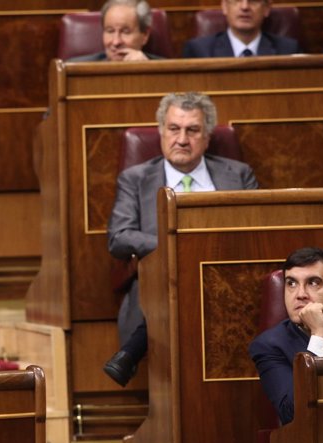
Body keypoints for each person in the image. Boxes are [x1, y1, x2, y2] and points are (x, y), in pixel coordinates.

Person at [104, 92, 258, 387]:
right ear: (161, 131)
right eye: (174, 129)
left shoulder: (238, 176)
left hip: (228, 281)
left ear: (208, 136)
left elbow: (255, 232)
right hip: (162, 281)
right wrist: (182, 246)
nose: (182, 140)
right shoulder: (135, 179)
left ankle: (132, 352)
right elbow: (119, 237)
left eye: (193, 130)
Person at [249, 247, 323, 425]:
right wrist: (319, 335)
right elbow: (292, 413)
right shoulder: (269, 346)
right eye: (291, 283)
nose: (300, 294)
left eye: (313, 283)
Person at [182, 0, 300, 58]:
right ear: (224, 6)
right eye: (237, 0)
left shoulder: (288, 50)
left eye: (253, 0)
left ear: (266, 8)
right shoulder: (199, 50)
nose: (245, 7)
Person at [70, 0, 161, 62]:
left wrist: (147, 71)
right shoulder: (73, 71)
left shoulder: (167, 72)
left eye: (126, 32)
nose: (116, 42)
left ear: (145, 35)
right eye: (110, 31)